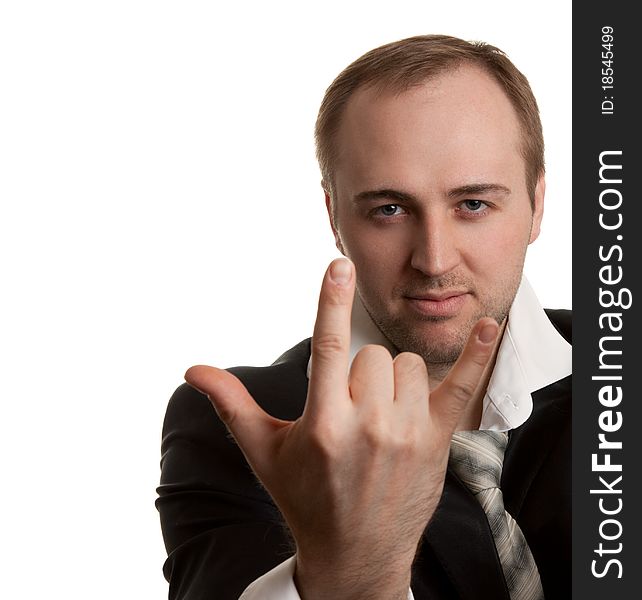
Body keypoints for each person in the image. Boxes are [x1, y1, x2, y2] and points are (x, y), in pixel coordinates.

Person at [156, 34, 571, 600]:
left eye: (473, 204)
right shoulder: (243, 427)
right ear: (334, 215)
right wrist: (350, 574)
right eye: (390, 209)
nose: (434, 259)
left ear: (537, 204)